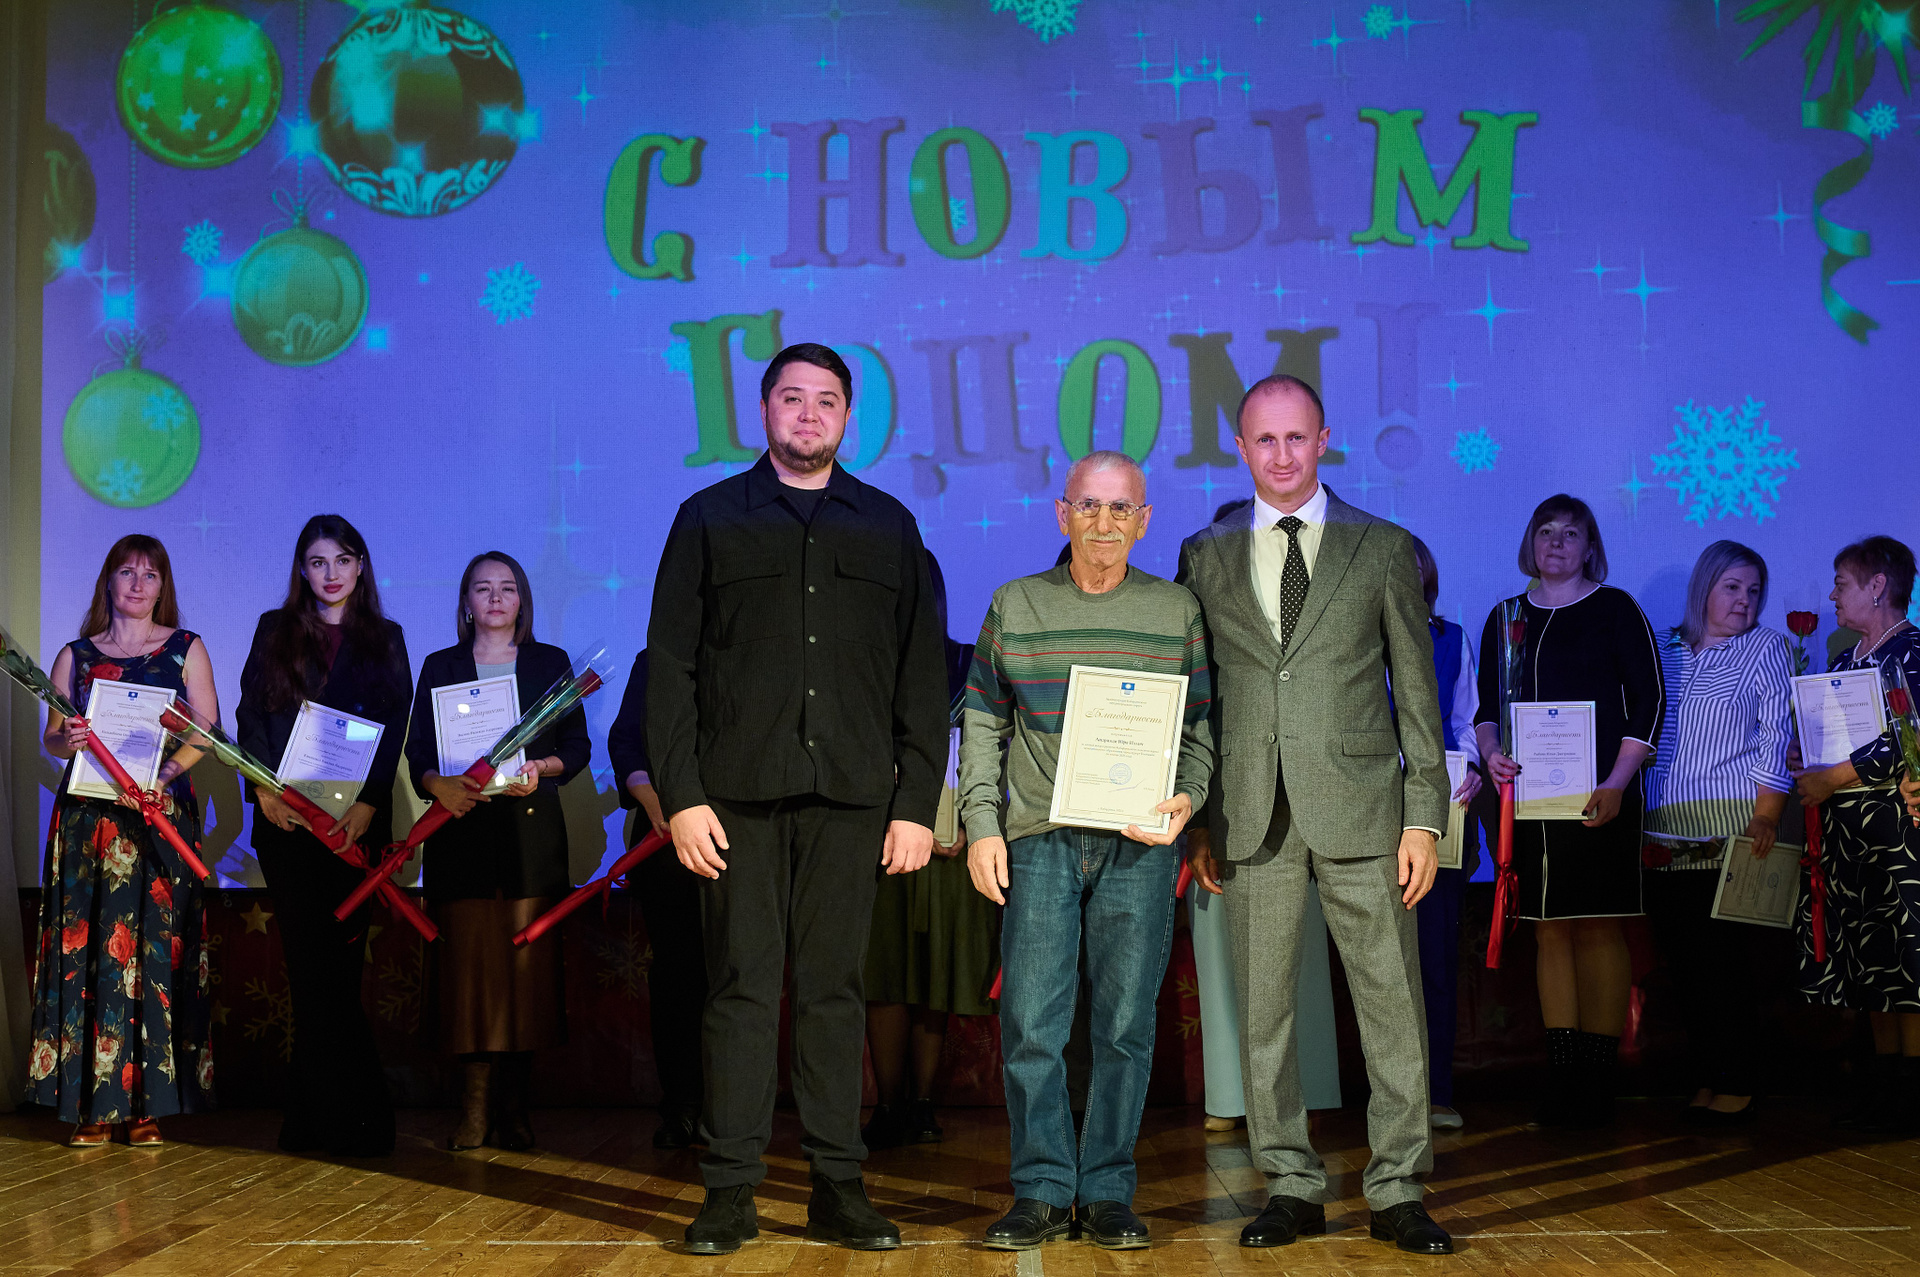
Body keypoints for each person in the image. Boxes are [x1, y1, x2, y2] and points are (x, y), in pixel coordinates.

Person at [647, 342, 948, 1255]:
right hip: (733, 801)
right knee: (740, 990)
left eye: (826, 401)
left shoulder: (889, 527)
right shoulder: (708, 518)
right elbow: (671, 668)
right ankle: (729, 1190)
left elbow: (920, 677)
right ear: (764, 410)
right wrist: (682, 794)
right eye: (792, 398)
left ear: (848, 418)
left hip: (852, 799)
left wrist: (916, 802)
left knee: (833, 992)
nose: (809, 413)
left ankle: (837, 1186)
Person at [1178, 374, 1453, 1256]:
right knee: (1263, 1011)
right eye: (1265, 439)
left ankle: (1398, 1185)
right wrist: (1198, 818)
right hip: (1249, 812)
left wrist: (1425, 817)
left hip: (1365, 811)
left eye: (1297, 437)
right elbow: (1196, 697)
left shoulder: (1383, 546)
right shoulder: (1205, 553)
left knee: (1390, 1003)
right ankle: (1289, 1182)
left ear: (1324, 439)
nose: (1282, 455)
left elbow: (1418, 696)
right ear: (1241, 447)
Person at [959, 451, 1212, 1251]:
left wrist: (1188, 797)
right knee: (1032, 1022)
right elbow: (982, 718)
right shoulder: (1017, 603)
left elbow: (1201, 727)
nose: (1104, 522)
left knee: (1126, 1025)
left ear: (1144, 519)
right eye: (1089, 506)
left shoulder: (1175, 610)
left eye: (1121, 507)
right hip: (1038, 840)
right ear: (1062, 513)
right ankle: (1039, 1188)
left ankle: (1105, 1189)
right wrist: (981, 821)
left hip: (1140, 843)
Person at [1475, 495, 1663, 1130]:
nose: (1556, 543)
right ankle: (1563, 1080)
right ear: (1531, 542)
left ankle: (1597, 1083)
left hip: (1601, 795)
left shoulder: (1616, 609)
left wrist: (1616, 783)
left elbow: (1648, 705)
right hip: (1530, 802)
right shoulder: (1505, 617)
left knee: (1599, 926)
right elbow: (1486, 710)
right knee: (1548, 929)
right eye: (1546, 531)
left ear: (1590, 547)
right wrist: (1492, 754)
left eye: (1571, 534)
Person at [27, 535, 218, 1147]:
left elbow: (207, 730)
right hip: (90, 822)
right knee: (91, 954)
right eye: (127, 571)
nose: (138, 583)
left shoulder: (186, 648)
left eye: (151, 574)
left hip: (157, 814)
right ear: (107, 580)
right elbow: (52, 737)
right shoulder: (76, 655)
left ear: (163, 586)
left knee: (153, 955)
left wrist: (165, 775)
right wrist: (66, 741)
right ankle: (92, 1105)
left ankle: (146, 1106)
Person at [237, 515, 411, 1157]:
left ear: (360, 565)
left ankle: (339, 1122)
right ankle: (337, 1122)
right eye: (317, 562)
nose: (330, 573)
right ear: (302, 570)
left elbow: (395, 724)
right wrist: (262, 790)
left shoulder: (386, 637)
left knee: (338, 973)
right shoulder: (273, 628)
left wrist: (368, 803)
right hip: (287, 823)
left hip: (352, 829)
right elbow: (250, 714)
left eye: (342, 560)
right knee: (309, 972)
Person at [405, 551, 590, 1152]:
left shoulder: (549, 663)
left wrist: (542, 766)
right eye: (482, 589)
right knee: (469, 980)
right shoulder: (440, 665)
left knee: (523, 982)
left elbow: (577, 747)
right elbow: (418, 751)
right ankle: (475, 1108)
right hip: (461, 837)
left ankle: (515, 1110)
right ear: (465, 602)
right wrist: (437, 785)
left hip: (530, 839)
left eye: (507, 588)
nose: (494, 598)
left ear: (522, 601)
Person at [1187, 498, 1343, 1135]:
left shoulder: (1326, 576)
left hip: (1327, 806)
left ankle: (1314, 1097)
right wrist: (1199, 820)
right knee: (1246, 983)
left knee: (1304, 977)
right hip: (1235, 810)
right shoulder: (1201, 587)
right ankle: (1255, 1122)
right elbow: (1195, 705)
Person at [1641, 541, 1793, 1125]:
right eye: (1732, 587)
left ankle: (1738, 1080)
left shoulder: (1765, 647)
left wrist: (1767, 814)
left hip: (1731, 827)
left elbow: (1775, 735)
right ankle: (1708, 1075)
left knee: (1723, 964)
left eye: (1754, 591)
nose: (1744, 601)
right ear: (1704, 587)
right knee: (1685, 966)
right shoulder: (1665, 647)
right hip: (1662, 828)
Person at [862, 551, 997, 1150]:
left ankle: (921, 1104)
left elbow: (992, 747)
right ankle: (887, 1105)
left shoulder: (969, 663)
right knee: (885, 974)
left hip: (955, 849)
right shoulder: (862, 666)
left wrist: (971, 821)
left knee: (936, 977)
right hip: (880, 847)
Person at [1793, 536, 1920, 1132]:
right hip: (1849, 835)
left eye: (1841, 584)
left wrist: (1832, 776)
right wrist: (1806, 756)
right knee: (1871, 962)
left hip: (1898, 831)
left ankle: (1911, 1094)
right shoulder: (1845, 662)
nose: (1831, 595)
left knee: (1906, 960)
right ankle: (1882, 1087)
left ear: (1877, 586)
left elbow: (1906, 739)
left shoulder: (1912, 651)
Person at [606, 646, 707, 1150]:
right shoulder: (655, 659)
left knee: (736, 976)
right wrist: (652, 800)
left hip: (743, 845)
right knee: (676, 976)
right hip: (664, 841)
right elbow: (626, 740)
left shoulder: (760, 653)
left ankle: (730, 1110)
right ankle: (682, 1105)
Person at [1407, 535, 1484, 1132]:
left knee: (1435, 958)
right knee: (1377, 967)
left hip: (1439, 817)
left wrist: (1474, 768)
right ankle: (1389, 1100)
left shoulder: (1451, 639)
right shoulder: (1347, 638)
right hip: (1363, 816)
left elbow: (1465, 724)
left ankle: (1435, 1092)